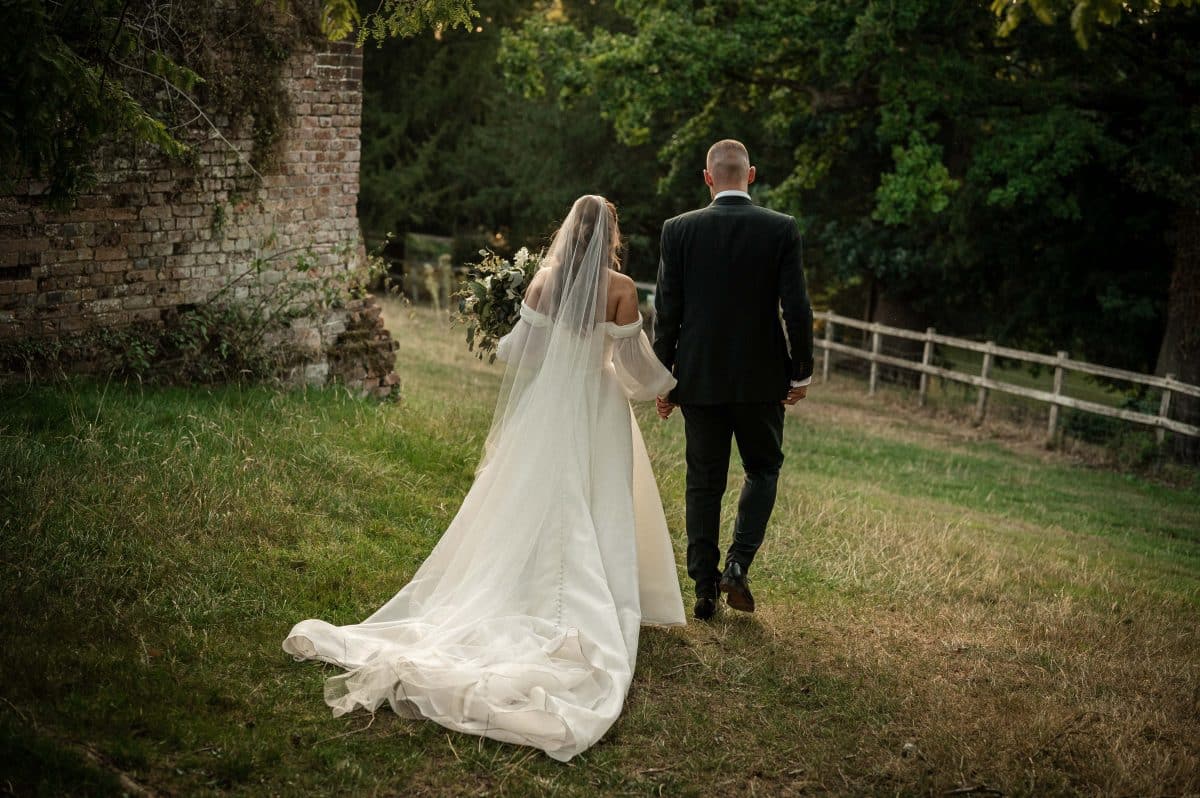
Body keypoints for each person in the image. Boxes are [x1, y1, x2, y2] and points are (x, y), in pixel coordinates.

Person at [283, 195, 685, 761]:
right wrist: (664, 388)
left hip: (547, 407)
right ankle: (598, 595)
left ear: (569, 231)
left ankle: (521, 583)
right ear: (611, 234)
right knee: (597, 496)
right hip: (596, 405)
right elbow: (635, 365)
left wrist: (516, 330)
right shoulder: (620, 289)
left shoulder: (542, 281)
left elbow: (520, 353)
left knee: (530, 495)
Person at [653, 139, 814, 621]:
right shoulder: (780, 229)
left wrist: (664, 378)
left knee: (703, 481)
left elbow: (667, 312)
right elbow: (797, 308)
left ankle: (703, 588)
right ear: (752, 175)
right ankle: (738, 566)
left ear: (707, 178)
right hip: (762, 377)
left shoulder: (678, 230)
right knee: (762, 469)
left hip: (698, 377)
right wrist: (800, 371)